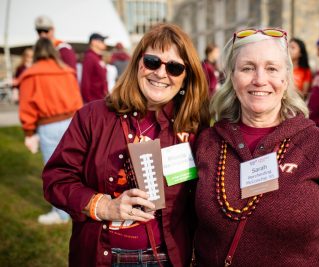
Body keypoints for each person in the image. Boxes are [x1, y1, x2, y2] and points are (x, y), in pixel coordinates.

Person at [42, 23, 209, 267]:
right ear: (138, 64)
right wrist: (105, 206)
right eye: (153, 61)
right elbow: (56, 178)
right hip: (103, 256)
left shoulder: (193, 129)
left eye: (174, 67)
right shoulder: (93, 116)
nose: (161, 74)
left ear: (185, 78)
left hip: (169, 257)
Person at [194, 27, 319, 266]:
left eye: (271, 68)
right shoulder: (207, 142)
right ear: (232, 77)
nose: (260, 79)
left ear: (285, 80)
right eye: (247, 68)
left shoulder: (318, 145)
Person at [18, 38, 83, 224]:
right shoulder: (67, 71)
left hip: (48, 125)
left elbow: (26, 107)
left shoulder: (30, 74)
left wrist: (29, 133)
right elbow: (77, 99)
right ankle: (79, 205)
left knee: (54, 171)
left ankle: (62, 214)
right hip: (71, 121)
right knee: (76, 166)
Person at [80, 33, 108, 103]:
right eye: (101, 41)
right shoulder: (90, 57)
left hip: (100, 98)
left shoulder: (98, 57)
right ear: (94, 42)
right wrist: (89, 101)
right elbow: (85, 80)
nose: (104, 43)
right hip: (93, 100)